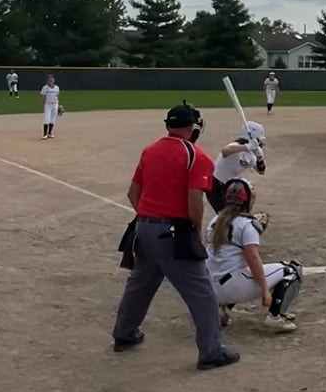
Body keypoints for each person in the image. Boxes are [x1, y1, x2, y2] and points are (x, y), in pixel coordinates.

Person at [111, 102, 239, 370]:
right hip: (174, 232)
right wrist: (195, 231)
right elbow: (195, 201)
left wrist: (150, 217)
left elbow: (133, 194)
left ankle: (124, 333)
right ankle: (211, 351)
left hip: (143, 228)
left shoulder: (150, 151)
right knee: (202, 292)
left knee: (140, 284)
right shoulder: (196, 156)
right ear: (193, 128)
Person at [206, 180, 301, 333]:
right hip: (232, 287)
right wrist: (265, 291)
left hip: (209, 288)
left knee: (229, 267)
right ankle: (275, 316)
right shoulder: (247, 224)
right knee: (292, 269)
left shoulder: (215, 221)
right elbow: (253, 259)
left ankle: (220, 311)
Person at [209, 120, 266, 210]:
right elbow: (225, 150)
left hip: (231, 186)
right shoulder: (236, 146)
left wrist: (260, 158)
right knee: (226, 213)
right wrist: (246, 147)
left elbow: (261, 171)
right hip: (216, 186)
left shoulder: (254, 151)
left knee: (236, 211)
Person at [40, 74, 62, 140]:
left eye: (52, 80)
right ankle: (45, 134)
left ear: (54, 80)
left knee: (53, 119)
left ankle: (50, 133)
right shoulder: (45, 88)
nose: (51, 81)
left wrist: (59, 105)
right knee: (47, 119)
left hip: (55, 104)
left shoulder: (57, 88)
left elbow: (57, 96)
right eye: (49, 80)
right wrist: (43, 106)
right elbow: (43, 97)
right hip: (48, 105)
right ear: (47, 81)